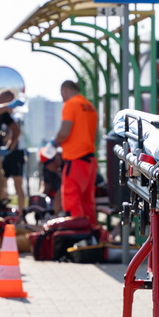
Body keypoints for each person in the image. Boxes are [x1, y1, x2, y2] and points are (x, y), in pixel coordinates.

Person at [47, 81, 97, 224]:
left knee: (72, 201)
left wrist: (54, 142)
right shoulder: (90, 107)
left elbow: (64, 132)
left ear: (64, 90)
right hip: (90, 161)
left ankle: (78, 236)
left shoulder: (70, 104)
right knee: (88, 202)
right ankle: (92, 237)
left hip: (75, 160)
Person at [2, 115, 27, 215]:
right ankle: (4, 211)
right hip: (4, 152)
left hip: (16, 153)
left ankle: (21, 214)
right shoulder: (0, 112)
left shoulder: (17, 116)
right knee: (2, 183)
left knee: (18, 185)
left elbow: (15, 132)